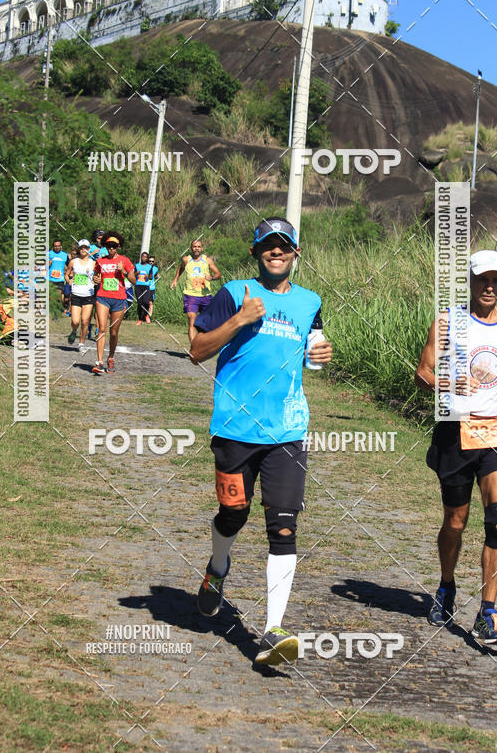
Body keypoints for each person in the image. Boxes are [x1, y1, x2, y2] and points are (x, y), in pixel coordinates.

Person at [190, 217, 332, 666]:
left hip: (287, 431)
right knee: (233, 514)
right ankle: (217, 568)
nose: (277, 252)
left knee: (284, 527)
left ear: (296, 253)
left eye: (284, 246)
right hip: (234, 427)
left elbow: (313, 353)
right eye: (268, 246)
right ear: (256, 252)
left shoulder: (311, 301)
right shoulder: (234, 292)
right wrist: (238, 320)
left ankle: (272, 632)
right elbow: (196, 350)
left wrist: (320, 357)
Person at [415, 250, 497, 645]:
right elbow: (422, 372)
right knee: (456, 523)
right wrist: (444, 384)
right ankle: (446, 585)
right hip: (456, 434)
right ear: (470, 280)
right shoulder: (449, 320)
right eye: (483, 279)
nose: (489, 286)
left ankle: (488, 612)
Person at [92, 231, 137, 374]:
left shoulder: (125, 260)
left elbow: (134, 281)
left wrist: (123, 271)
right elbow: (96, 277)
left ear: (118, 247)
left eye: (114, 246)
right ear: (105, 246)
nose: (111, 248)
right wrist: (96, 280)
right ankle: (99, 362)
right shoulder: (100, 261)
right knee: (102, 328)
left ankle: (110, 358)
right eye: (108, 246)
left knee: (113, 332)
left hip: (119, 299)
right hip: (102, 297)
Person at [170, 239, 221, 344]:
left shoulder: (207, 260)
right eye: (194, 247)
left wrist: (211, 277)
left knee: (207, 323)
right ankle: (194, 349)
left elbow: (218, 274)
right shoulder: (186, 260)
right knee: (191, 322)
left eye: (199, 247)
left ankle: (204, 342)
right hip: (190, 295)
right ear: (191, 248)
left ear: (202, 248)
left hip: (205, 295)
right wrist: (175, 279)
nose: (196, 248)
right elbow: (180, 268)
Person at [66, 240, 96, 350]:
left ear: (89, 249)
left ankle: (81, 343)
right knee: (75, 321)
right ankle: (74, 331)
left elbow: (98, 276)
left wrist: (96, 280)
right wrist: (69, 280)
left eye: (86, 248)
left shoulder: (93, 263)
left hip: (88, 294)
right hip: (76, 294)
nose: (83, 250)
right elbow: (67, 273)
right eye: (81, 248)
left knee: (85, 321)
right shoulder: (73, 262)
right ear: (79, 249)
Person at [48, 239, 68, 314]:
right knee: (50, 296)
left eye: (58, 246)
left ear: (61, 246)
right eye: (55, 246)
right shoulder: (49, 254)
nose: (57, 247)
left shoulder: (65, 255)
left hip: (60, 279)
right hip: (50, 278)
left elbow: (69, 266)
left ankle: (56, 309)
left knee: (58, 295)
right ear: (53, 246)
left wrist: (67, 271)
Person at [135, 251, 152, 325]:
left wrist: (147, 276)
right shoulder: (136, 265)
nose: (143, 258)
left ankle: (146, 315)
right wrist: (137, 273)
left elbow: (151, 277)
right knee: (139, 303)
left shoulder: (149, 267)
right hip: (138, 286)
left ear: (147, 258)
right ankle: (140, 319)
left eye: (145, 257)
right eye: (142, 256)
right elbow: (132, 275)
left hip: (146, 286)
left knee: (146, 302)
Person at [147, 255, 159, 321]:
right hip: (145, 286)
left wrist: (158, 277)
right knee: (144, 302)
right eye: (150, 261)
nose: (151, 262)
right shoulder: (145, 267)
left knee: (150, 302)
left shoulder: (155, 269)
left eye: (152, 261)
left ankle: (149, 316)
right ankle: (143, 315)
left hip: (152, 287)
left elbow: (157, 275)